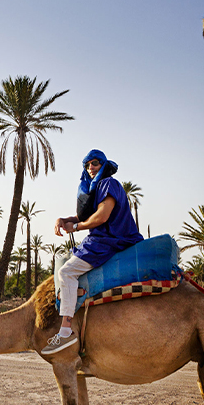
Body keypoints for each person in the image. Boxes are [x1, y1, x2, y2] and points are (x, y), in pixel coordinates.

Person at [42, 149, 144, 355]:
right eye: (87, 165)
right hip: (102, 240)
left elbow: (101, 217)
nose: (91, 168)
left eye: (95, 163)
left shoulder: (108, 184)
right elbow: (86, 216)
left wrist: (76, 228)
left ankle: (66, 331)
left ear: (104, 165)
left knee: (66, 273)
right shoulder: (97, 189)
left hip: (109, 241)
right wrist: (64, 220)